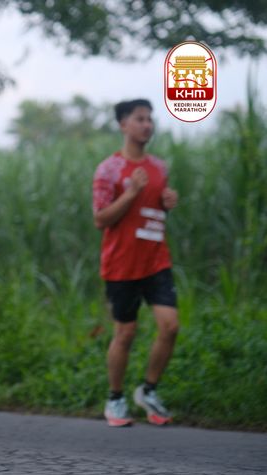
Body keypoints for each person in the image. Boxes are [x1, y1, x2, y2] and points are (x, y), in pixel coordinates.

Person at [92, 99, 180, 427]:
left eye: (149, 119)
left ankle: (148, 391)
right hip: (121, 264)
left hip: (156, 260)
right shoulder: (109, 170)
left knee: (170, 326)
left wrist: (167, 202)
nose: (147, 125)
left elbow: (153, 209)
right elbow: (101, 219)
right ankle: (115, 398)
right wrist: (130, 193)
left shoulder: (159, 167)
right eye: (140, 119)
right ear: (123, 124)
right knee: (125, 333)